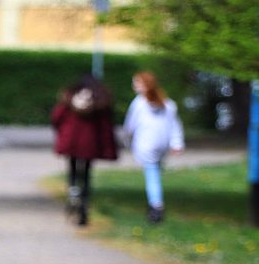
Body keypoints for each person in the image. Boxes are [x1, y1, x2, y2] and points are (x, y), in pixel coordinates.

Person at [51, 74, 118, 225]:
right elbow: (106, 127)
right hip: (90, 143)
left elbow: (56, 117)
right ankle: (84, 203)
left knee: (73, 170)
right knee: (86, 174)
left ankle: (73, 193)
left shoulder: (69, 98)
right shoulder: (100, 101)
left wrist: (61, 133)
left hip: (71, 140)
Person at [122, 71, 185, 223]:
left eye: (137, 83)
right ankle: (156, 200)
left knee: (152, 174)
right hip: (162, 144)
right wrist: (176, 142)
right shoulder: (167, 102)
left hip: (147, 144)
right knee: (155, 170)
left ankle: (156, 205)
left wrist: (126, 139)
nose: (134, 86)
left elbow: (130, 125)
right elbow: (175, 125)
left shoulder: (139, 103)